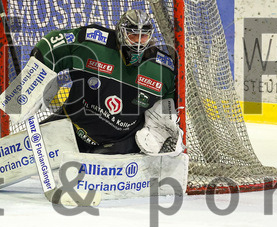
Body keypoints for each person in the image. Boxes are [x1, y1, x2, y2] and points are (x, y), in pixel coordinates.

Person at [29, 10, 179, 154]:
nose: (138, 42)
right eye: (133, 35)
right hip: (70, 127)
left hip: (119, 145)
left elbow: (169, 104)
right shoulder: (93, 44)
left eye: (143, 36)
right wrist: (33, 77)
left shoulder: (162, 69)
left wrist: (164, 132)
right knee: (26, 146)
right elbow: (53, 43)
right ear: (121, 33)